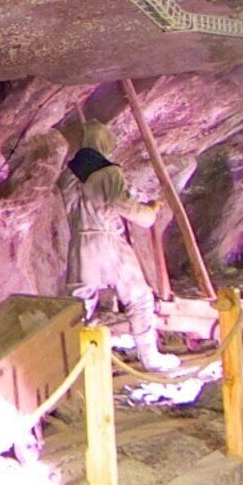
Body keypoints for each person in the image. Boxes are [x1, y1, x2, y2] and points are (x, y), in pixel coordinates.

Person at [61, 118, 180, 372]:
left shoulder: (69, 176)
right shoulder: (108, 172)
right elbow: (125, 207)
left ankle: (71, 364)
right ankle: (151, 358)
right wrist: (150, 211)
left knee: (77, 306)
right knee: (139, 297)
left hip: (80, 243)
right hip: (107, 240)